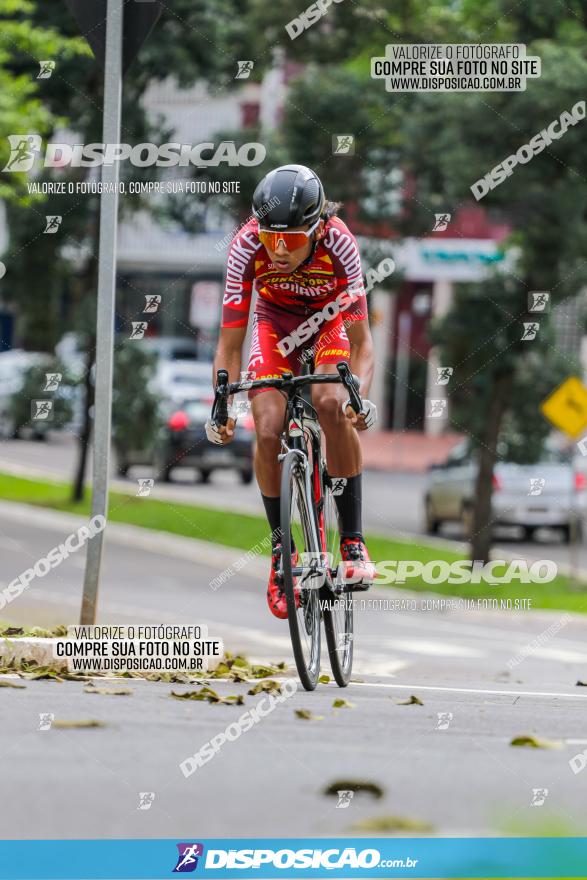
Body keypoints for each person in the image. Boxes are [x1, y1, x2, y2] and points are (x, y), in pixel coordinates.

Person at [206, 164, 377, 619]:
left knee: (328, 402)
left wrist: (359, 398)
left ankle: (353, 542)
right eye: (269, 237)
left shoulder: (340, 242)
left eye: (293, 239)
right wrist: (220, 406)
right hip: (275, 323)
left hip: (329, 322)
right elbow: (228, 343)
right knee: (265, 427)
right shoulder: (245, 246)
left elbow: (363, 348)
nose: (279, 250)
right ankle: (283, 555)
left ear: (317, 227)